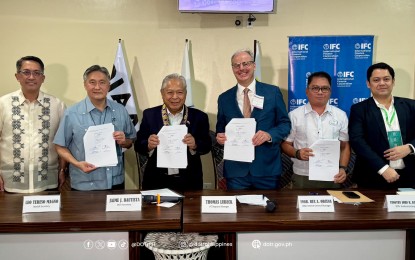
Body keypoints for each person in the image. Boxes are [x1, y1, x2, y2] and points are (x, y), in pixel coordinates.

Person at [216, 49, 291, 190]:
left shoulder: (272, 92)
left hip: (266, 169)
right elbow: (221, 128)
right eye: (236, 65)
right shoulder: (224, 98)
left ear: (254, 66)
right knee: (238, 211)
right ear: (232, 69)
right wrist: (220, 136)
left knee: (269, 209)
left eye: (246, 63)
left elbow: (285, 124)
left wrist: (269, 135)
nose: (241, 68)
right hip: (236, 171)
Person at [53, 65, 136, 191]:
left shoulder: (120, 110)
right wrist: (76, 164)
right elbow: (60, 146)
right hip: (84, 182)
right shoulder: (72, 113)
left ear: (108, 85)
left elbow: (130, 141)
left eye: (102, 82)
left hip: (115, 181)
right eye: (92, 82)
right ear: (85, 85)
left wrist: (124, 141)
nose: (97, 87)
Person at [0, 56, 66, 193]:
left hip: (48, 182)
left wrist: (62, 170)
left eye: (37, 73)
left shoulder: (57, 105)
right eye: (26, 72)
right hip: (9, 184)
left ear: (43, 78)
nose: (31, 77)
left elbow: (63, 142)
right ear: (17, 76)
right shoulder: (3, 104)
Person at [135, 73, 211, 191]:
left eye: (179, 92)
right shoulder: (149, 115)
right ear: (162, 93)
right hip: (156, 179)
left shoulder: (199, 117)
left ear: (185, 94)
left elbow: (207, 145)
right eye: (170, 92)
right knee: (155, 210)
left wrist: (195, 144)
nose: (175, 97)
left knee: (190, 210)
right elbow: (138, 145)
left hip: (190, 180)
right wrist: (148, 145)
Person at [349, 62, 415, 189]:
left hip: (409, 176)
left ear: (393, 81)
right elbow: (357, 141)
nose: (382, 83)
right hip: (373, 176)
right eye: (376, 80)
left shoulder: (411, 106)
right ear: (368, 83)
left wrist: (410, 147)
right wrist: (383, 168)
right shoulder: (359, 109)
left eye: (386, 79)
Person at [281, 71, 350, 189]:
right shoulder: (294, 115)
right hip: (303, 175)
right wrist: (297, 153)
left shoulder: (341, 115)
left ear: (330, 92)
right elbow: (285, 144)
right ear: (307, 91)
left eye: (325, 88)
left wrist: (343, 168)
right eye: (315, 88)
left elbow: (344, 146)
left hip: (333, 175)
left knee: (334, 207)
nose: (320, 92)